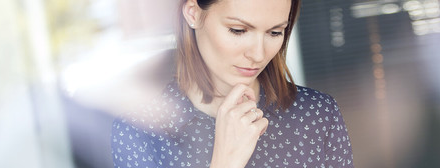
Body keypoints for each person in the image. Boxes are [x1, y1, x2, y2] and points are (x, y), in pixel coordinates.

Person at [110, 0, 355, 167]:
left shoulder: (317, 115)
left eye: (274, 32)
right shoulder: (140, 130)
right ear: (193, 13)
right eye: (238, 30)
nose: (258, 55)